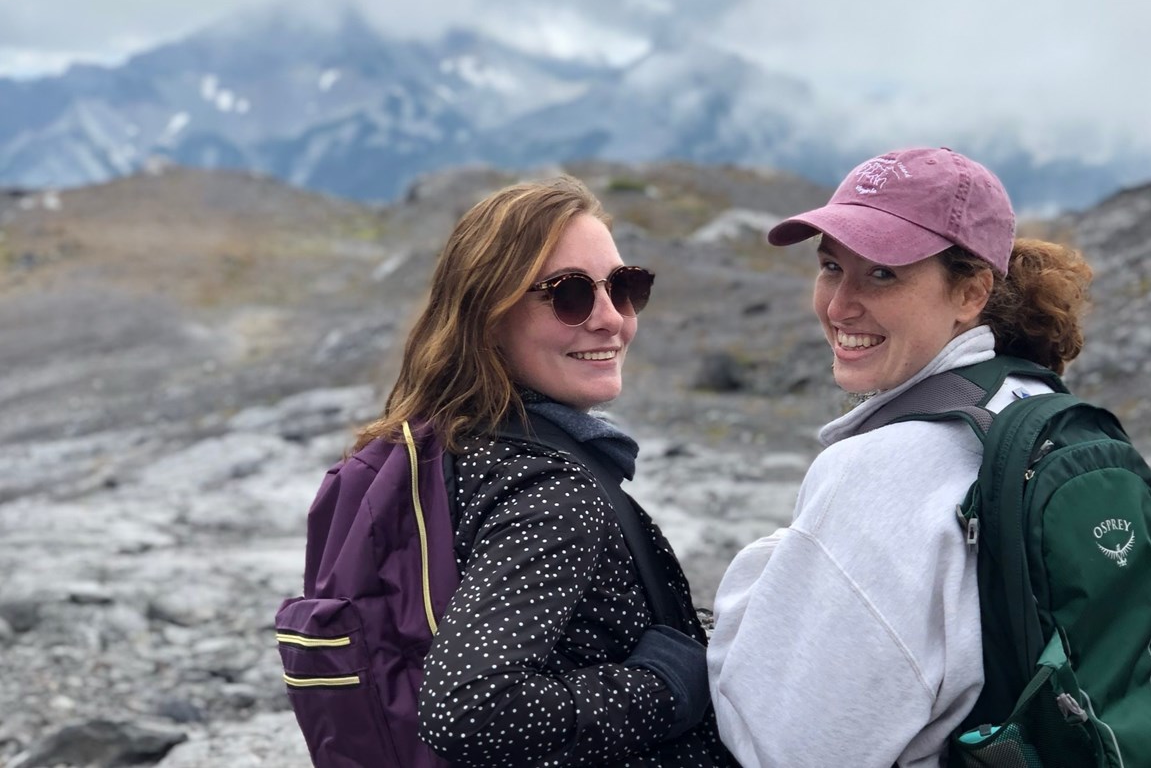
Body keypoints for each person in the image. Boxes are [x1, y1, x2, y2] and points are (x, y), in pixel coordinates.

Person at [706, 147, 1093, 767]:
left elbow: (786, 747)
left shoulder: (877, 469)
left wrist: (763, 576)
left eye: (882, 273)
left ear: (970, 293)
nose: (839, 307)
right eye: (832, 267)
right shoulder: (1057, 417)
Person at [352, 175, 736, 767]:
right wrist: (666, 685)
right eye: (570, 294)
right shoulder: (549, 492)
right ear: (490, 317)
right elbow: (469, 707)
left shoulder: (454, 445)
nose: (612, 319)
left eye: (625, 286)